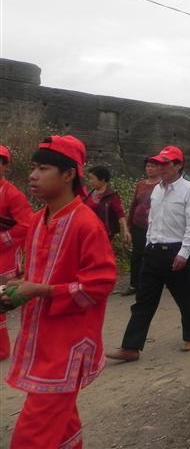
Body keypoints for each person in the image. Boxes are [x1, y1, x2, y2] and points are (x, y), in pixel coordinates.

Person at [2, 135, 116, 449]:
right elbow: (36, 274)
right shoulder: (38, 221)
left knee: (32, 436)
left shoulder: (85, 224)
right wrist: (18, 288)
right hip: (42, 340)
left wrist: (44, 290)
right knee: (62, 426)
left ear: (68, 175)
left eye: (43, 168)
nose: (33, 175)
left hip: (67, 346)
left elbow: (100, 284)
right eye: (33, 168)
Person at [106, 145, 190, 362]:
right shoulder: (157, 190)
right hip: (153, 252)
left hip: (176, 251)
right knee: (143, 300)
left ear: (178, 165)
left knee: (184, 296)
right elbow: (153, 221)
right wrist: (149, 243)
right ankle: (131, 347)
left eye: (165, 163)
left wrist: (184, 253)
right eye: (158, 163)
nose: (160, 167)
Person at [0, 144, 34, 361]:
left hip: (3, 255)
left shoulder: (12, 194)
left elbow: (25, 225)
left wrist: (2, 239)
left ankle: (2, 349)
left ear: (5, 167)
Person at [123, 158, 162, 296]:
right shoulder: (141, 184)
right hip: (138, 224)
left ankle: (150, 284)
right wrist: (128, 225)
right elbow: (134, 204)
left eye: (153, 166)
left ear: (159, 168)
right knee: (136, 255)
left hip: (155, 226)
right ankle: (134, 284)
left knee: (151, 255)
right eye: (148, 166)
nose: (150, 168)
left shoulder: (162, 185)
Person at [85, 165, 131, 243]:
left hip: (102, 233)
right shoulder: (90, 193)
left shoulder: (112, 196)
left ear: (102, 179)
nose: (90, 181)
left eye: (92, 179)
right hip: (87, 230)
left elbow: (120, 214)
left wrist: (125, 230)